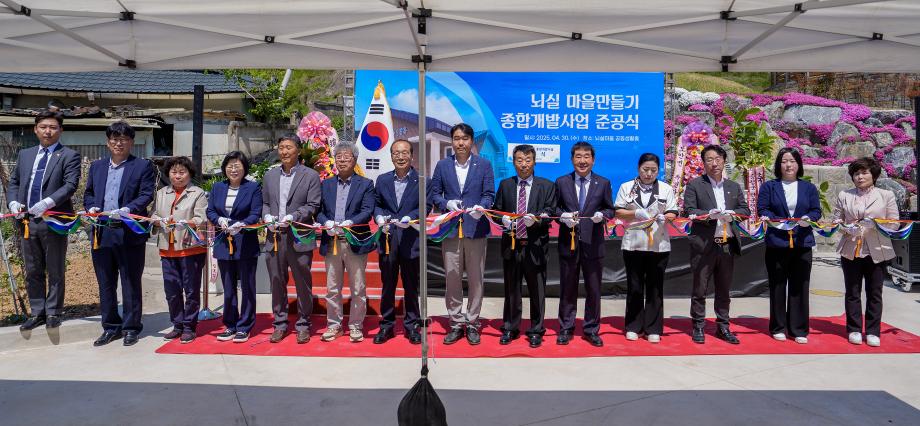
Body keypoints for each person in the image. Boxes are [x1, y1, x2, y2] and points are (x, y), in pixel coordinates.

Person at [83, 121, 156, 347]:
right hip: (102, 231)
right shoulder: (97, 166)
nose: (119, 143)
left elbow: (146, 194)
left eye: (124, 139)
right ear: (108, 142)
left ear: (131, 142)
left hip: (128, 231)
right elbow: (89, 193)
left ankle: (131, 327)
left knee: (130, 281)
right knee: (105, 281)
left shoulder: (142, 166)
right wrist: (91, 207)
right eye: (114, 139)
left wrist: (128, 209)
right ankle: (110, 327)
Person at [6, 110, 81, 331]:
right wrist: (13, 202)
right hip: (27, 221)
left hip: (53, 219)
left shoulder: (69, 155)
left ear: (61, 130)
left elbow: (70, 185)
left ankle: (53, 312)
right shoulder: (25, 154)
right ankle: (37, 312)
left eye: (53, 127)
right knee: (32, 269)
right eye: (43, 127)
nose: (48, 131)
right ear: (35, 129)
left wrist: (48, 202)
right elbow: (14, 182)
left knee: (55, 268)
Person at [429, 123, 495, 346]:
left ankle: (473, 322)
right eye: (457, 138)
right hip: (450, 230)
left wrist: (481, 207)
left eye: (465, 139)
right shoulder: (442, 165)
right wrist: (446, 203)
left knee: (476, 278)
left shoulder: (484, 165)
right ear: (452, 141)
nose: (460, 143)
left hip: (475, 228)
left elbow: (489, 194)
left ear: (471, 141)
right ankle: (456, 322)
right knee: (452, 276)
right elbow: (434, 194)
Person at [682, 144, 751, 345]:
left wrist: (732, 215)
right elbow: (688, 210)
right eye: (709, 159)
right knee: (700, 288)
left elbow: (745, 210)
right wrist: (708, 215)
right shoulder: (695, 185)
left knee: (724, 289)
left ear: (724, 161)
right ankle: (698, 326)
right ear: (703, 163)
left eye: (718, 159)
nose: (714, 163)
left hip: (727, 243)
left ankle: (723, 326)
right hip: (704, 243)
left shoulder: (733, 186)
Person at [492, 144, 556, 348]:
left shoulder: (546, 185)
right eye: (519, 160)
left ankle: (536, 330)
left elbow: (550, 212)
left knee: (537, 291)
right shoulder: (506, 185)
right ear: (513, 162)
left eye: (528, 160)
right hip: (511, 245)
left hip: (535, 245)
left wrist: (536, 220)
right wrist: (502, 220)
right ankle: (510, 327)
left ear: (535, 162)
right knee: (512, 290)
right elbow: (496, 211)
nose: (524, 164)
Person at [757, 148, 822, 345]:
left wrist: (808, 218)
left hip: (802, 241)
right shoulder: (769, 187)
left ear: (798, 164)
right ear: (779, 165)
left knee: (800, 285)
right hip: (777, 242)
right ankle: (778, 327)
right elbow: (763, 208)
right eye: (784, 161)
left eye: (792, 161)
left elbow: (816, 210)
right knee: (777, 285)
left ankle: (798, 328)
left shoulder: (808, 188)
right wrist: (774, 219)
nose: (788, 165)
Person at [555, 141, 615, 347]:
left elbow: (610, 209)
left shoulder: (603, 183)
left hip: (593, 244)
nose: (582, 161)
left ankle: (591, 329)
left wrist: (602, 215)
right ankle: (566, 328)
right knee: (567, 288)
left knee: (594, 289)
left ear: (593, 160)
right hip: (568, 242)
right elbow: (554, 208)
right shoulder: (562, 182)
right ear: (572, 159)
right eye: (578, 156)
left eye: (586, 156)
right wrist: (562, 216)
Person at [261, 135, 321, 344]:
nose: (284, 151)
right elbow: (265, 203)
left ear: (298, 150)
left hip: (299, 235)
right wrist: (266, 217)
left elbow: (313, 205)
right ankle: (280, 323)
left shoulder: (311, 175)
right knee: (277, 281)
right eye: (281, 147)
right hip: (275, 236)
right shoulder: (270, 175)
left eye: (288, 147)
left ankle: (303, 324)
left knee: (302, 282)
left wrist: (294, 216)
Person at [833, 157, 899, 347]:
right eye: (856, 173)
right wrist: (846, 229)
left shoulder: (886, 195)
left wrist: (876, 225)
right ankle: (853, 329)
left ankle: (872, 331)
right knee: (852, 291)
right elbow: (836, 221)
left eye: (864, 173)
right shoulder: (845, 195)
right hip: (851, 248)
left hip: (877, 249)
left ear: (873, 175)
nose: (860, 177)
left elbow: (894, 223)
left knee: (875, 292)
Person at [613, 153, 678, 344]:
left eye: (653, 170)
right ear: (638, 168)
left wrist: (666, 217)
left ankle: (653, 328)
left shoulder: (666, 189)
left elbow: (673, 212)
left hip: (658, 245)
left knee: (655, 287)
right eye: (645, 169)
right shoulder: (627, 187)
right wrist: (635, 213)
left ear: (658, 171)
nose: (649, 174)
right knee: (634, 286)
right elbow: (618, 211)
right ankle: (633, 326)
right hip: (633, 244)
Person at [317, 141, 376, 343]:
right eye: (339, 157)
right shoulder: (326, 184)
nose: (342, 160)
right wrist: (326, 222)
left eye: (347, 157)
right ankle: (334, 325)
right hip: (332, 241)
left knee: (358, 288)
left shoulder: (366, 184)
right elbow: (319, 211)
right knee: (332, 288)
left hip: (355, 241)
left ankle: (356, 325)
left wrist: (351, 222)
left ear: (355, 160)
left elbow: (367, 210)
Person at [149, 157, 208, 344]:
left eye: (182, 172)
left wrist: (185, 222)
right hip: (167, 249)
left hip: (189, 248)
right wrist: (158, 220)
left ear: (189, 174)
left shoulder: (197, 193)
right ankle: (177, 324)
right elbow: (154, 214)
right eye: (174, 172)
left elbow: (201, 218)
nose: (178, 176)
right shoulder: (161, 193)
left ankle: (189, 326)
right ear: (168, 174)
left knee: (191, 290)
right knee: (172, 291)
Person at [206, 151, 262, 343]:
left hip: (245, 242)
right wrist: (219, 220)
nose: (233, 169)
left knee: (247, 286)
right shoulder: (217, 187)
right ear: (224, 168)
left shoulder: (253, 187)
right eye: (230, 166)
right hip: (223, 241)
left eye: (237, 165)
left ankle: (245, 326)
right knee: (228, 286)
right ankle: (230, 324)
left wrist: (243, 224)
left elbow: (256, 212)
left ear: (244, 168)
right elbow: (210, 210)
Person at [373, 140, 425, 344]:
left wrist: (410, 217)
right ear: (391, 156)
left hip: (411, 239)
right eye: (396, 153)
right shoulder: (382, 179)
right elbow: (377, 204)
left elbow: (426, 206)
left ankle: (412, 326)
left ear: (412, 155)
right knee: (388, 285)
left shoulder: (422, 180)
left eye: (404, 153)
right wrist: (379, 216)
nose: (400, 157)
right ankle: (387, 325)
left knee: (411, 286)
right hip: (388, 239)